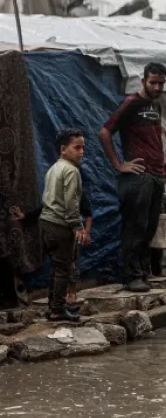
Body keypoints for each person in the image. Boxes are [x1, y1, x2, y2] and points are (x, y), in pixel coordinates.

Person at [99, 62, 166, 293]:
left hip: (157, 174)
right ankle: (131, 276)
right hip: (139, 177)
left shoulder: (155, 105)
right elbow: (105, 132)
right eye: (153, 83)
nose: (157, 87)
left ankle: (143, 271)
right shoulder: (132, 103)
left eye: (161, 83)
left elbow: (154, 139)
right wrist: (119, 164)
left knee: (150, 228)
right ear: (143, 81)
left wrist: (163, 163)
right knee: (135, 227)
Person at [13, 129, 89, 321]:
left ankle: (54, 307)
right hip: (61, 226)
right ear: (64, 149)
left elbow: (48, 200)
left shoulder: (54, 168)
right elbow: (71, 201)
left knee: (57, 268)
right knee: (63, 269)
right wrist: (77, 226)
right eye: (77, 147)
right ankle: (57, 310)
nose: (81, 152)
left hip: (46, 224)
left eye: (83, 148)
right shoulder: (71, 171)